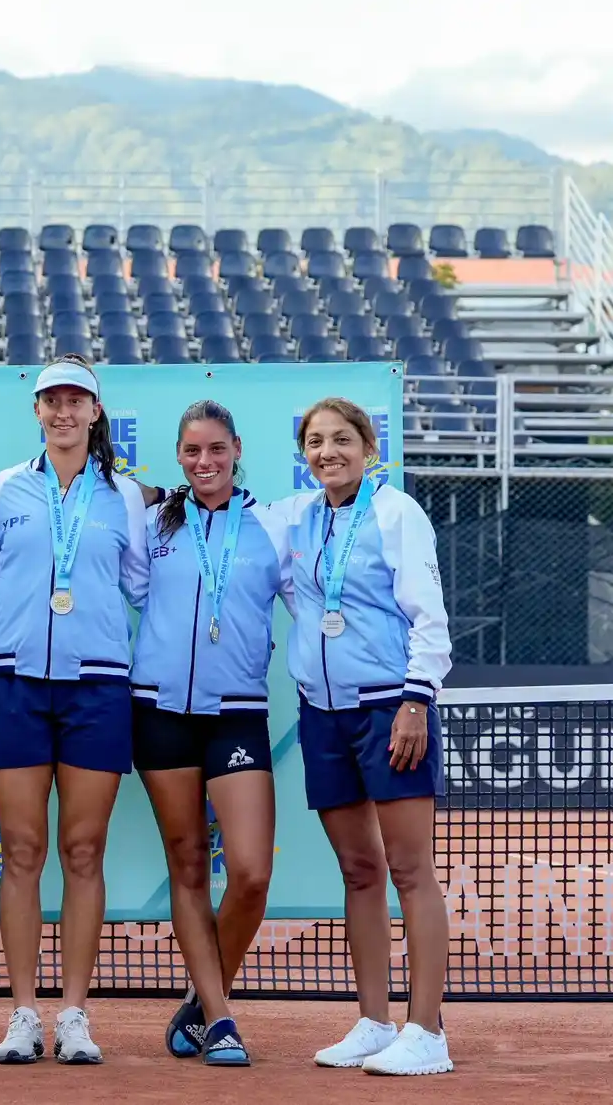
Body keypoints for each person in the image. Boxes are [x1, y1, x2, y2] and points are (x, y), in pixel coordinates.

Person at [0, 353, 152, 1065]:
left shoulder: (128, 497)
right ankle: (23, 1011)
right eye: (52, 399)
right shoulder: (5, 488)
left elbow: (141, 583)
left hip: (99, 687)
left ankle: (74, 1011)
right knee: (21, 850)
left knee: (83, 850)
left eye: (77, 400)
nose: (64, 411)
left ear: (96, 411)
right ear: (38, 410)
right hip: (17, 682)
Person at [281, 397, 453, 1077]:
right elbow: (215, 509)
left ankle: (427, 1030)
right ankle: (376, 1020)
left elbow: (428, 616)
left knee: (411, 869)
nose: (329, 452)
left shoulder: (396, 513)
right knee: (359, 871)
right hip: (322, 714)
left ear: (368, 446)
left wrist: (417, 697)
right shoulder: (298, 518)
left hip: (391, 710)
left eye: (342, 439)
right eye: (317, 442)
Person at [126, 400, 290, 1067]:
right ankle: (221, 1019)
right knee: (188, 866)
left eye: (216, 449)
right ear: (179, 455)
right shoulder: (153, 523)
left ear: (237, 448)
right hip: (158, 712)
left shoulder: (275, 527)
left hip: (238, 711)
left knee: (250, 872)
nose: (204, 462)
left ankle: (202, 997)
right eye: (191, 451)